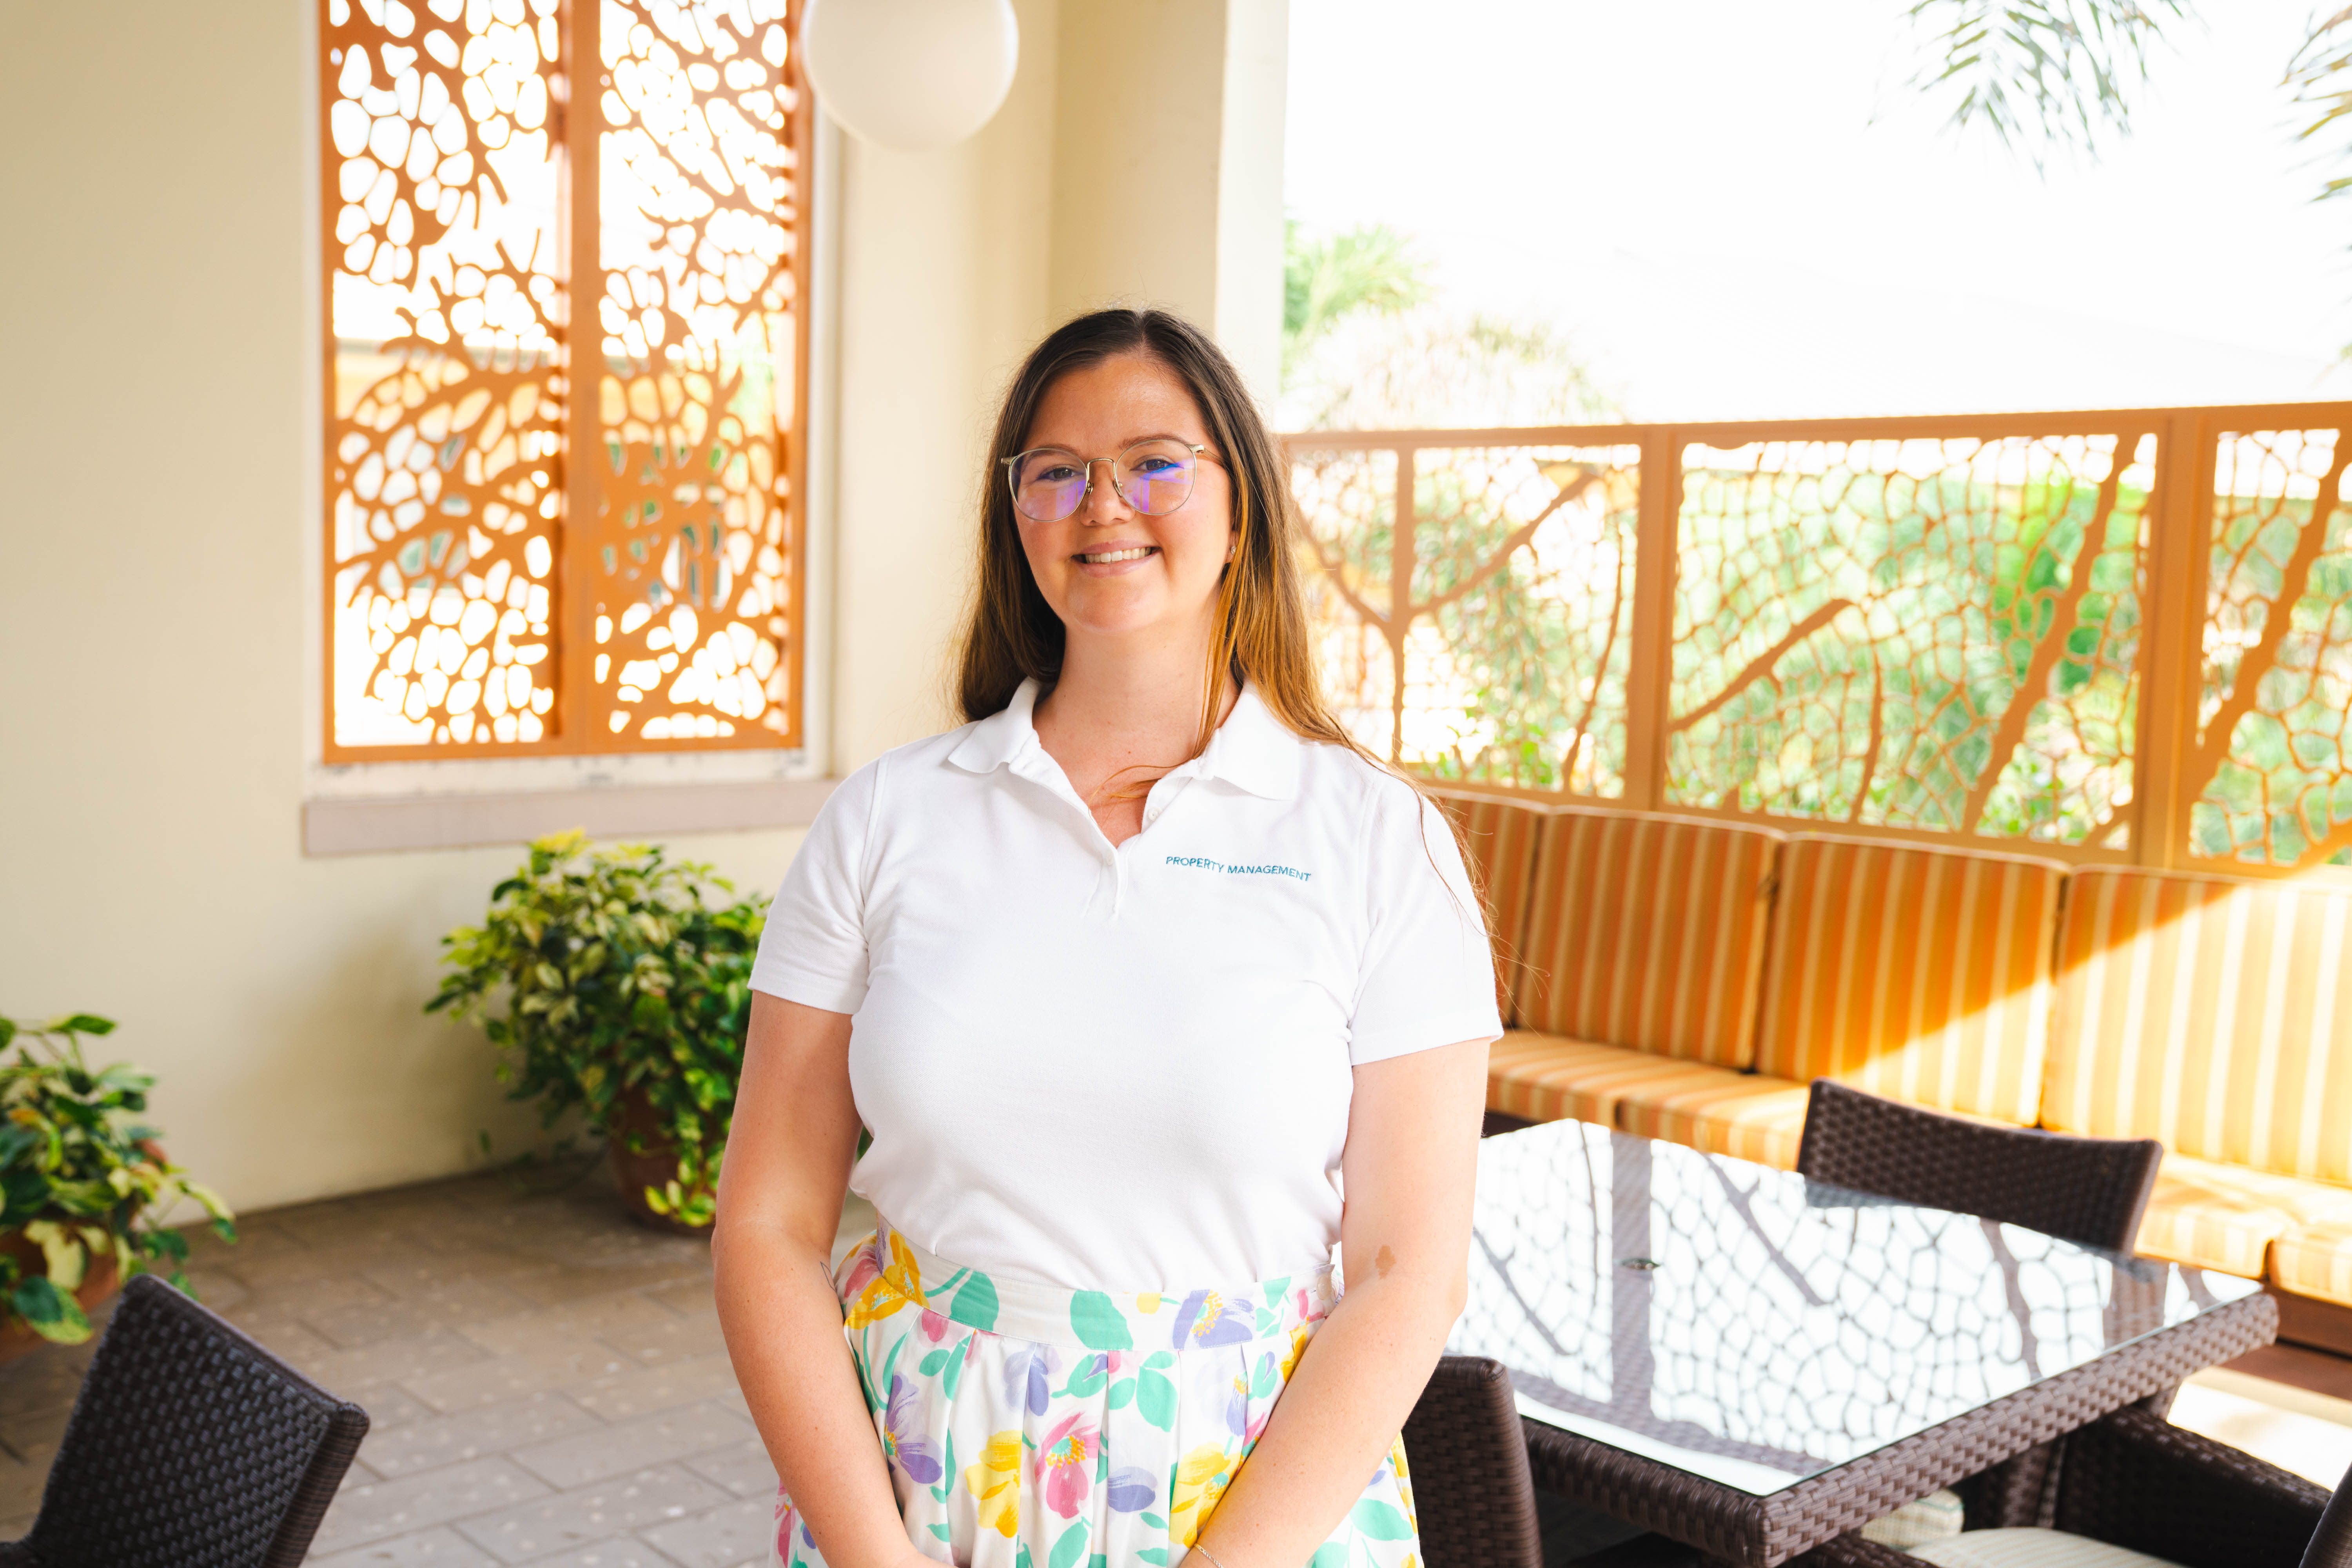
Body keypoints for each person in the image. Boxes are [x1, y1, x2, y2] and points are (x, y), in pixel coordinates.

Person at [713, 307, 1501, 1568]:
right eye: (1056, 471)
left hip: (1253, 1499)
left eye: (1154, 461)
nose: (1103, 503)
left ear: (1240, 504)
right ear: (1015, 513)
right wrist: (876, 1556)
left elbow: (1409, 1273)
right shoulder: (886, 818)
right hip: (926, 1481)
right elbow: (765, 1224)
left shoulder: (1378, 840)